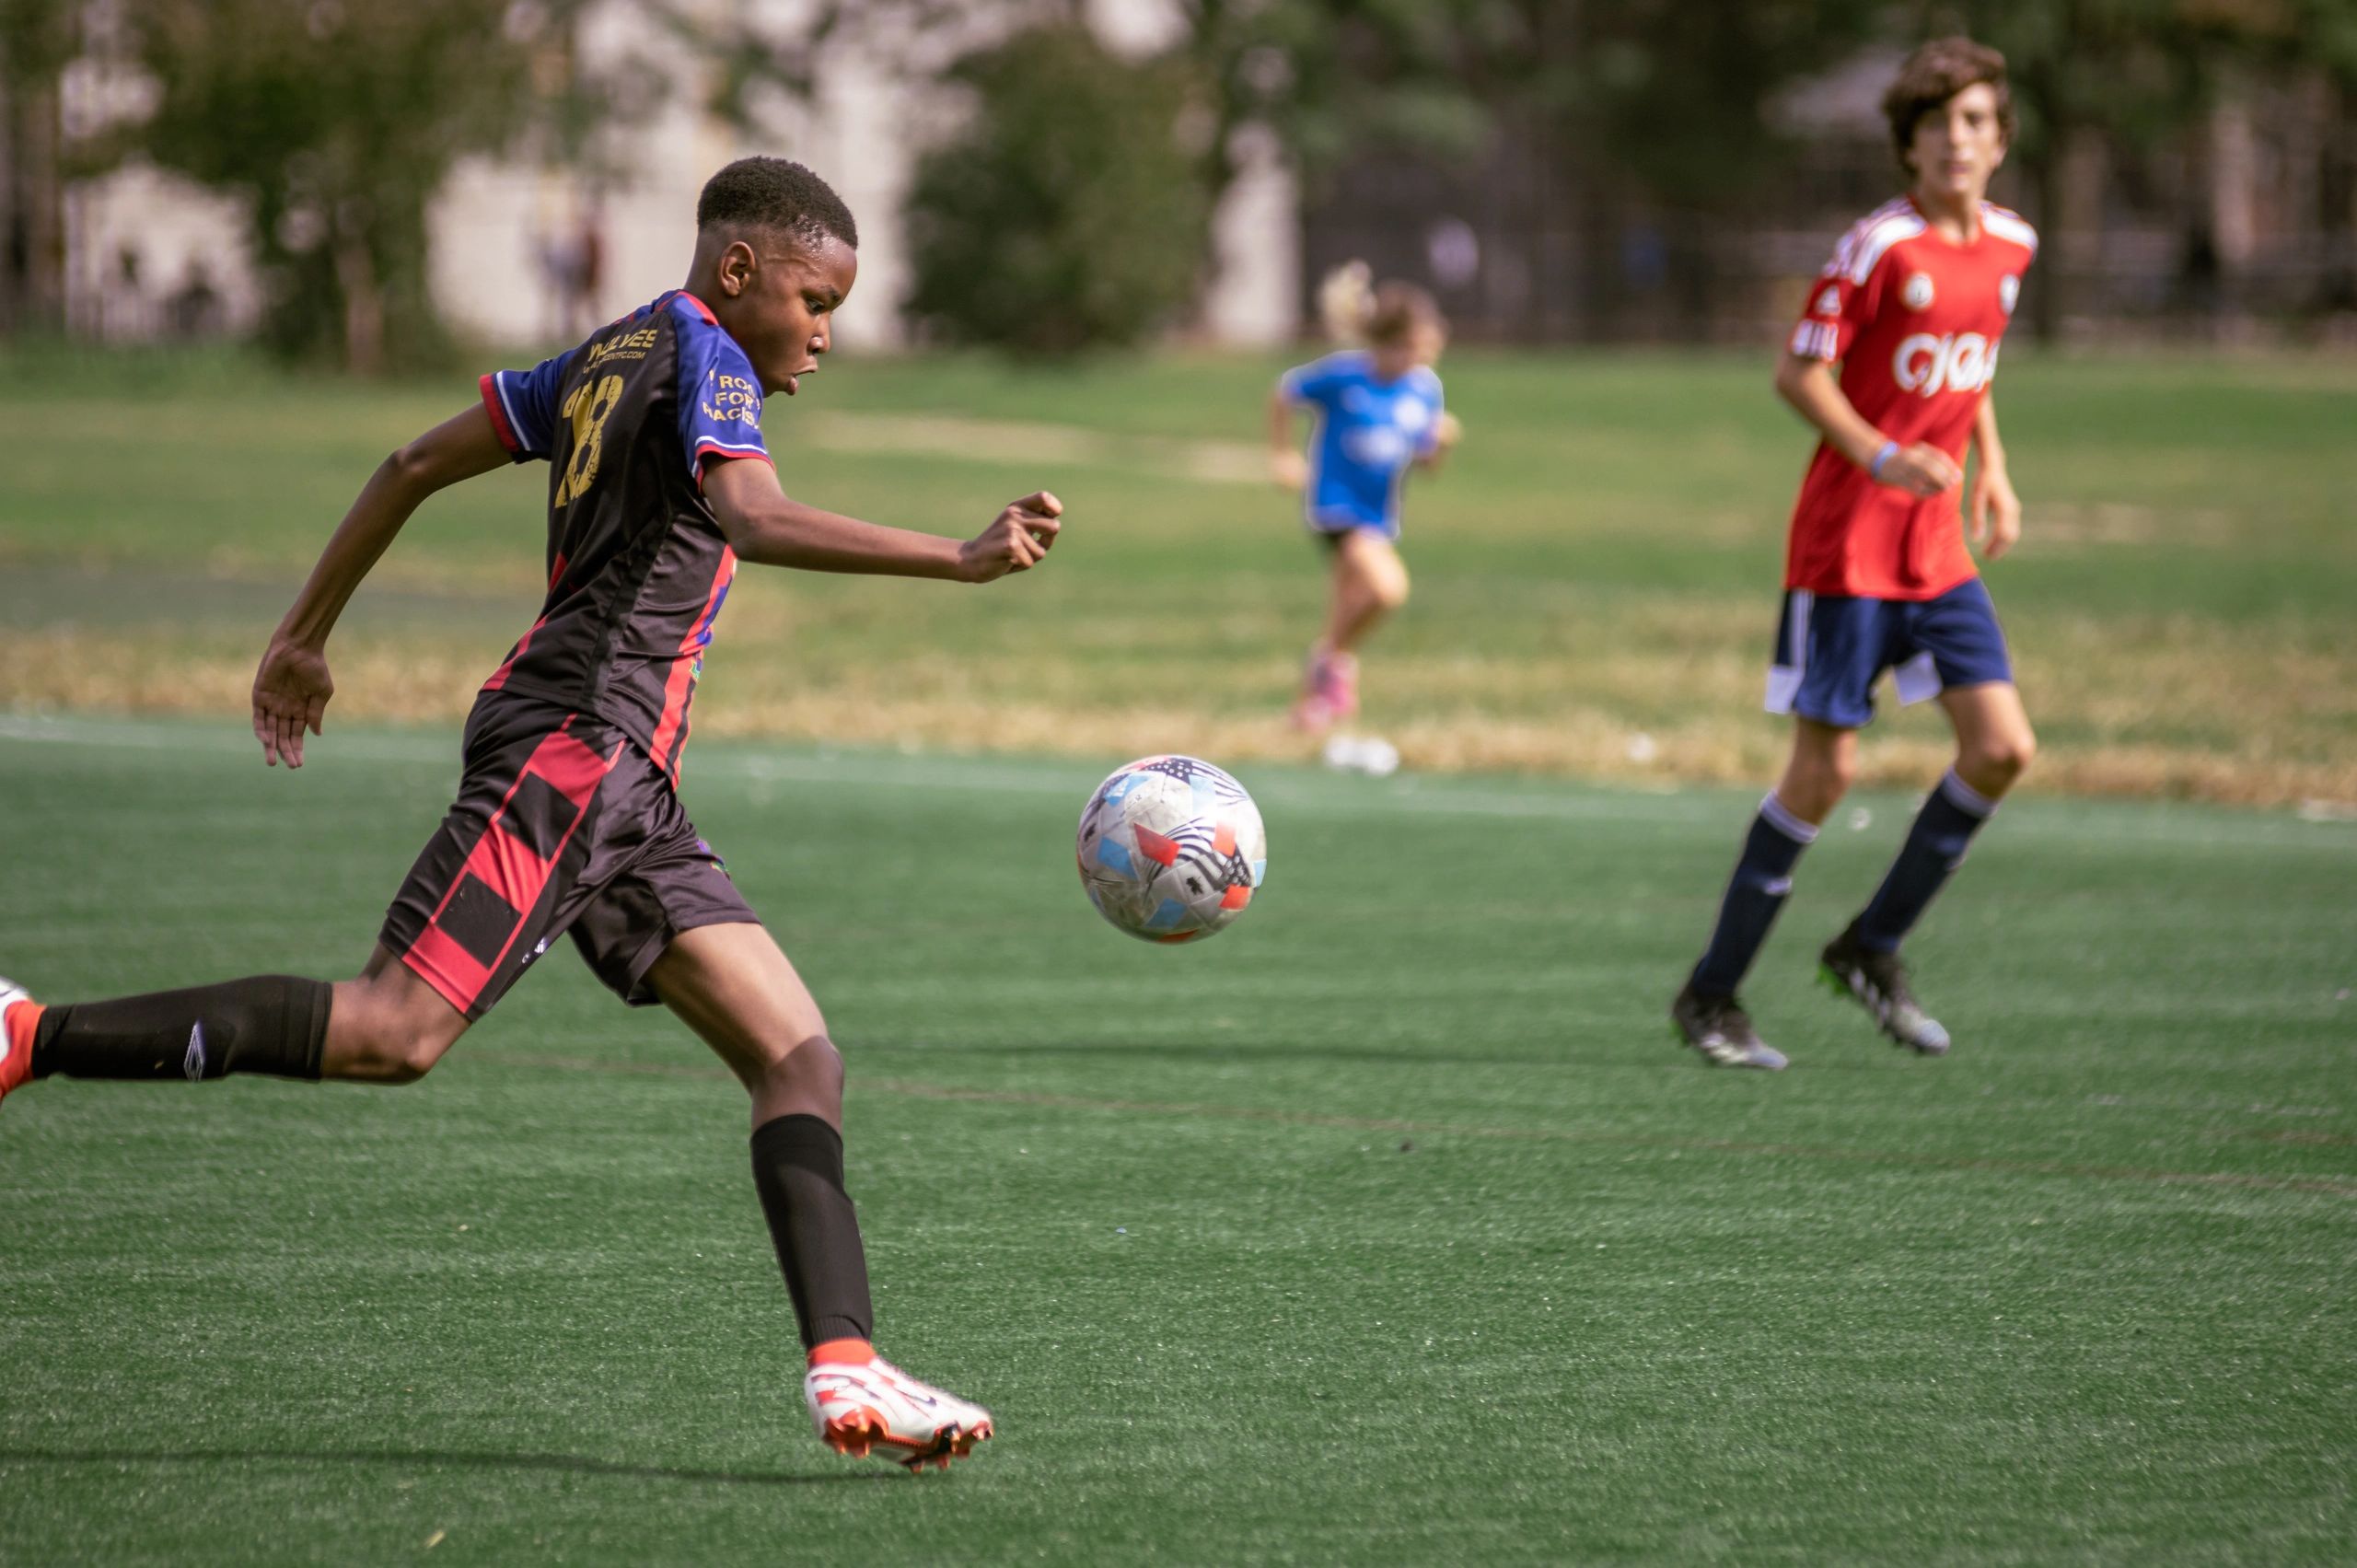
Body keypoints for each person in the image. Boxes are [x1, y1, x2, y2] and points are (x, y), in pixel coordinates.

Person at [0, 157, 1062, 1470]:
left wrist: (303, 633)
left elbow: (410, 458)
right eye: (815, 297)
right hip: (578, 753)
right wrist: (956, 557)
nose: (826, 333)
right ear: (740, 272)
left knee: (798, 1056)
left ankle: (849, 1368)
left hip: (629, 788)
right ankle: (28, 1032)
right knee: (395, 1029)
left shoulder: (606, 352)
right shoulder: (708, 357)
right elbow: (754, 512)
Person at [1668, 38, 2039, 1071]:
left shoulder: (2011, 244)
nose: (1954, 142)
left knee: (2002, 747)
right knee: (1823, 773)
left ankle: (1870, 946)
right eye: (1934, 126)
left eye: (1972, 122)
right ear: (1908, 146)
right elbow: (1798, 372)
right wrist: (1881, 452)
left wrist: (1990, 471)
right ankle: (1711, 993)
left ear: (1999, 138)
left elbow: (1975, 371)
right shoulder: (1880, 245)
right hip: (1848, 548)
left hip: (1938, 547)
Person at [1267, 281, 1459, 736]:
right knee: (1387, 589)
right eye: (1408, 347)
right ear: (1383, 342)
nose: (1417, 357)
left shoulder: (1425, 389)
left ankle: (1314, 704)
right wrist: (1282, 454)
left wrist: (1442, 445)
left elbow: (1425, 465)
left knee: (1349, 603)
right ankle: (1333, 664)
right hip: (1336, 506)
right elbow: (1284, 392)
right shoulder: (1346, 376)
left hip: (1380, 513)